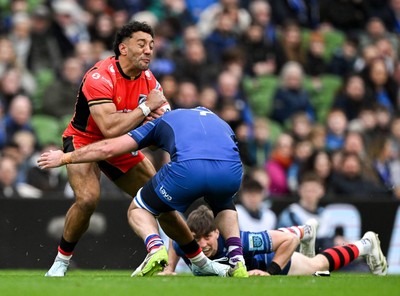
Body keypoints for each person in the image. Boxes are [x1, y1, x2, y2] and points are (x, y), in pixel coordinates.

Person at [38, 107, 249, 277]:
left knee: (139, 209)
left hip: (188, 170)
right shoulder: (217, 120)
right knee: (224, 205)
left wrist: (65, 158)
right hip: (230, 170)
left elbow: (108, 149)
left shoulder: (159, 122)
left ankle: (155, 248)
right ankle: (237, 261)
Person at [42, 21, 173, 277]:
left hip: (119, 143)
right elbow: (109, 128)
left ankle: (198, 259)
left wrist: (159, 120)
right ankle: (61, 261)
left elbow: (162, 125)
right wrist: (146, 110)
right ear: (123, 48)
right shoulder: (99, 75)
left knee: (161, 197)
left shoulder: (149, 79)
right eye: (142, 44)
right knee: (88, 199)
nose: (149, 50)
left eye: (152, 45)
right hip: (84, 139)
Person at [160, 205, 387, 277]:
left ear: (217, 232)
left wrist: (271, 272)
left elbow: (287, 241)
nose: (202, 245)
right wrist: (169, 267)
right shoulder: (184, 242)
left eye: (207, 237)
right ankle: (306, 230)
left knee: (318, 265)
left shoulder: (240, 242)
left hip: (270, 260)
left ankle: (365, 245)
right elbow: (174, 240)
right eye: (196, 239)